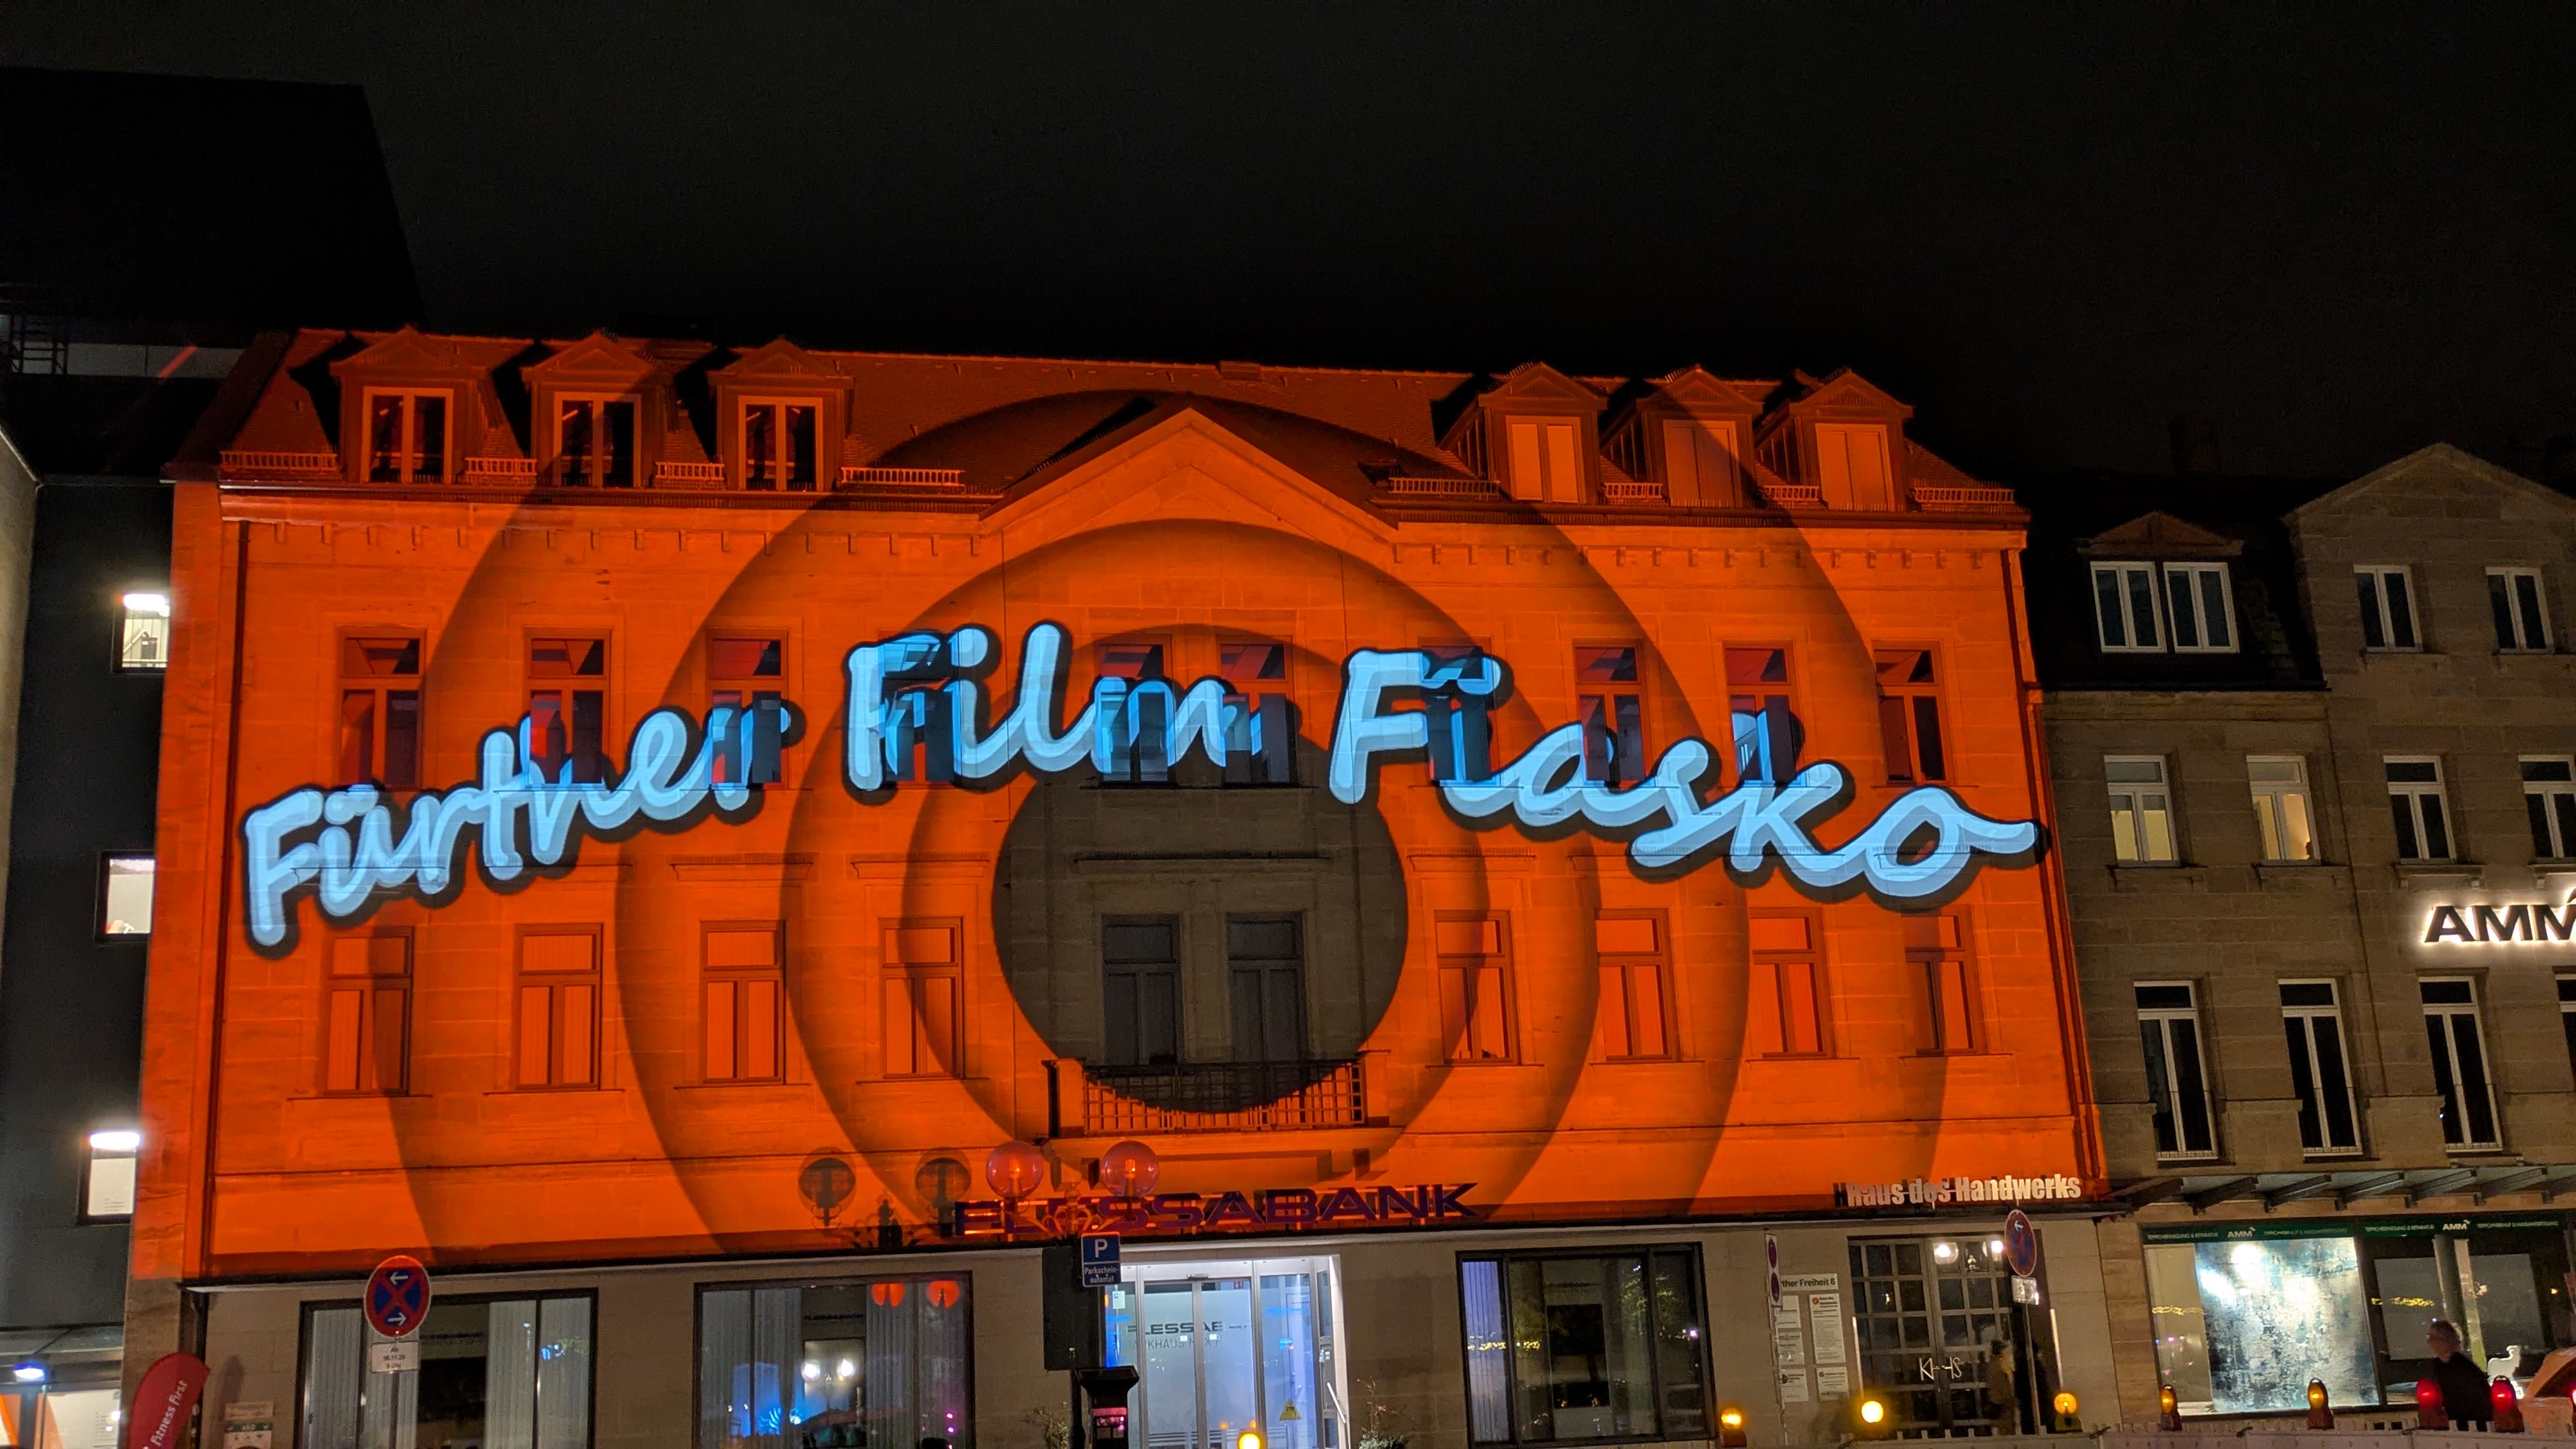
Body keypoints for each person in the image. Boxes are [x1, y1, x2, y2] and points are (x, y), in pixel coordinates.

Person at [2426, 1319, 2495, 1425]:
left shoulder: (2462, 1366)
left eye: (2433, 1338)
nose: (2430, 1342)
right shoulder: (2438, 1365)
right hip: (2455, 1421)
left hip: (2472, 1421)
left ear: (2445, 1340)